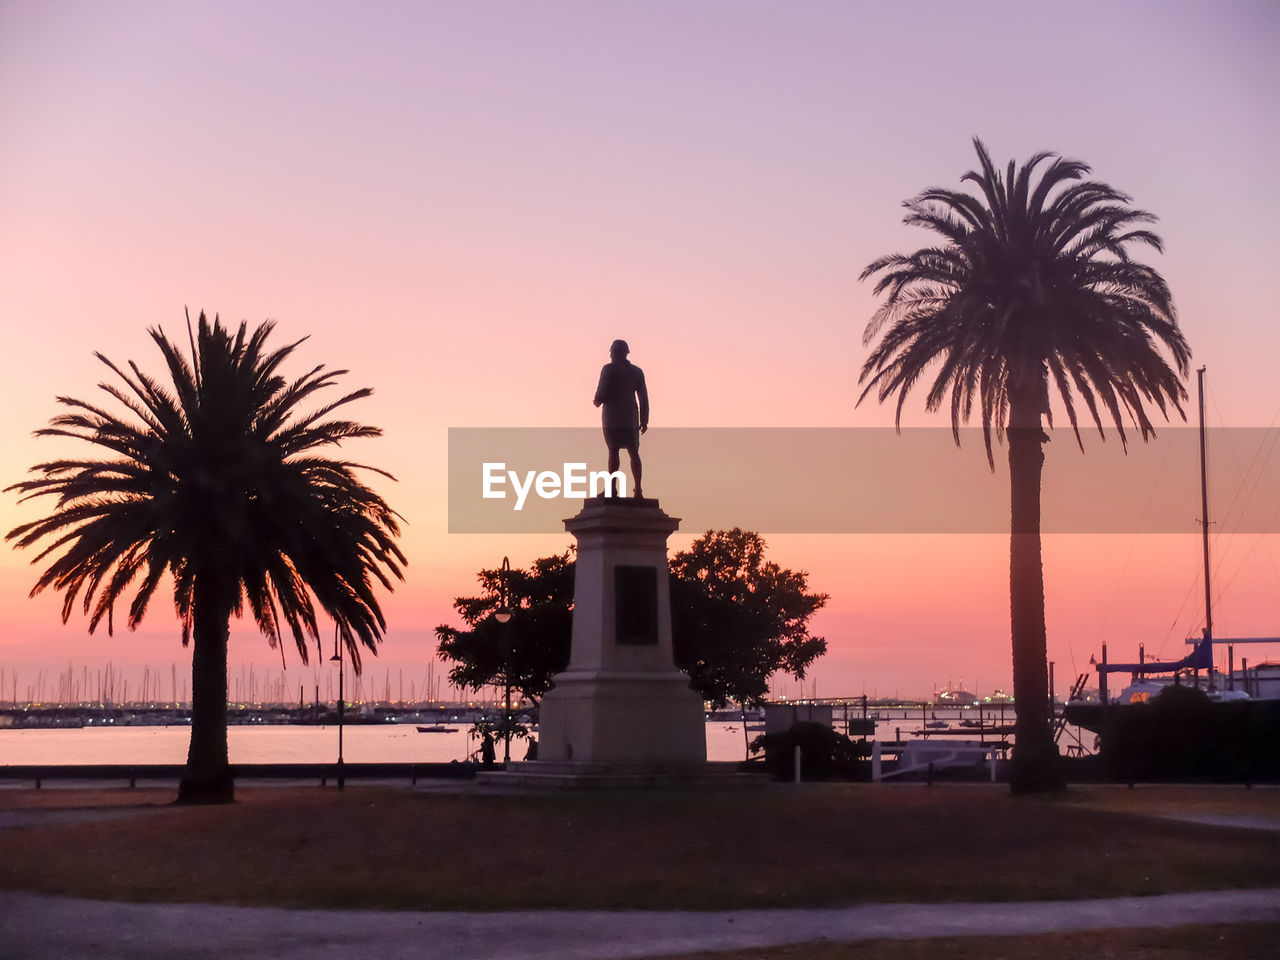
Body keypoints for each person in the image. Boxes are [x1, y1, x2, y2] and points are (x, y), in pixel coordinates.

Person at [592, 339, 648, 498]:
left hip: (614, 416)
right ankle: (638, 490)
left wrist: (596, 401)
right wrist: (644, 419)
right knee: (634, 453)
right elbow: (643, 398)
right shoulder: (637, 372)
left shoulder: (609, 369)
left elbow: (601, 392)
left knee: (613, 451)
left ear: (614, 353)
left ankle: (612, 489)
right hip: (631, 417)